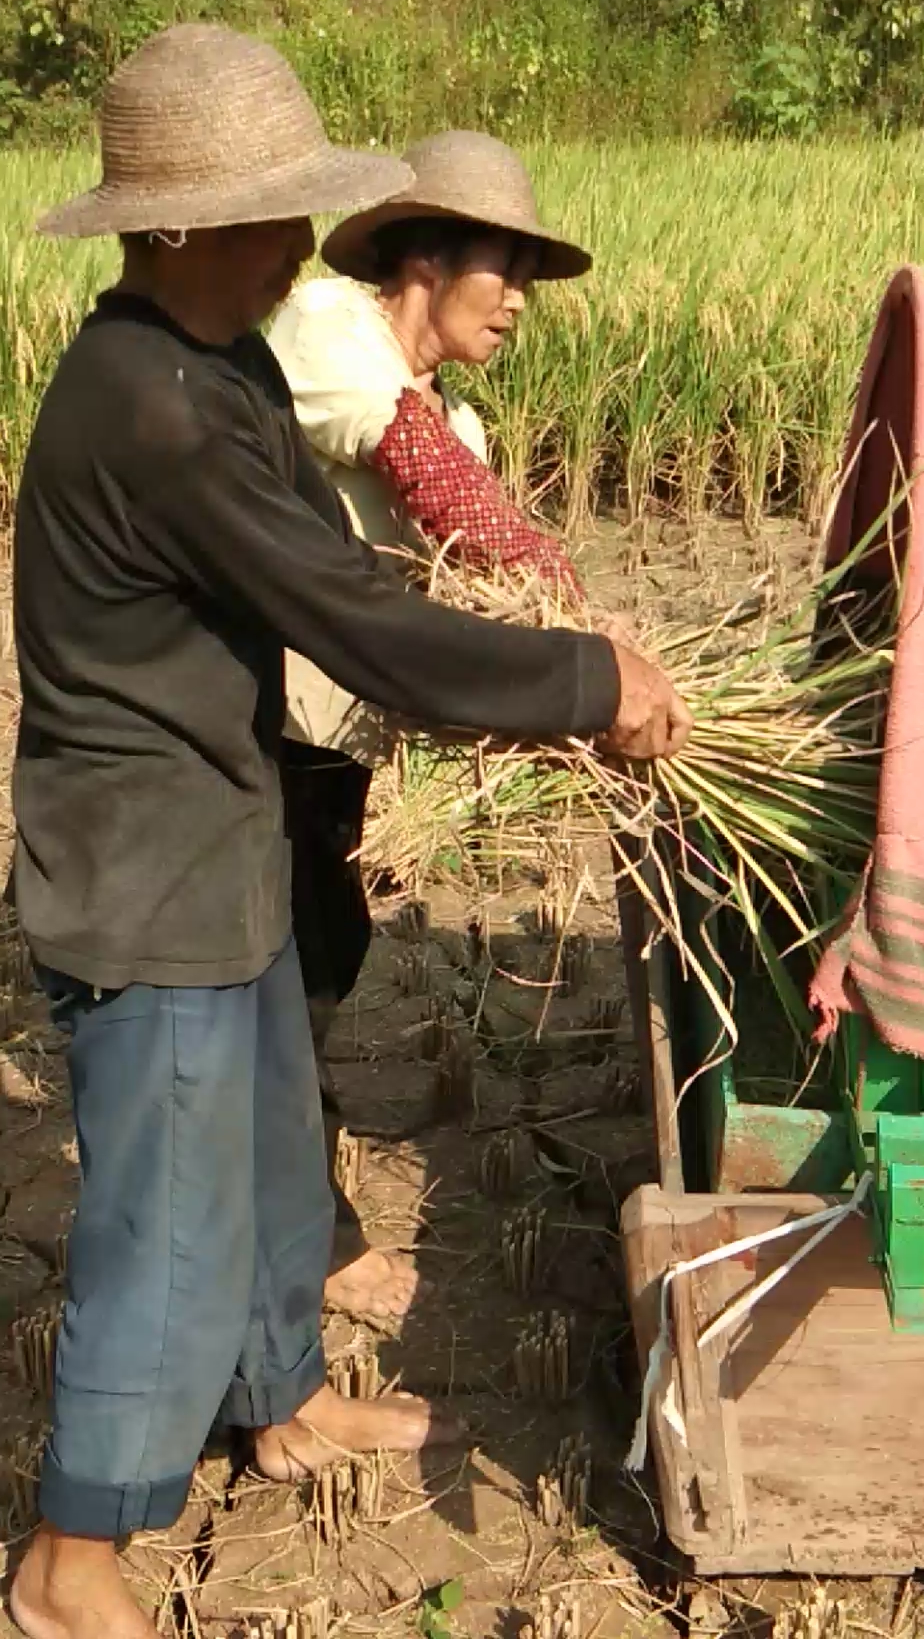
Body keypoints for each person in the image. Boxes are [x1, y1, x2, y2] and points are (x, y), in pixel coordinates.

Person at [8, 22, 689, 1639]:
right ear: (176, 228)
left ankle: (283, 1403)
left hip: (231, 826)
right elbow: (357, 625)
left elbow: (350, 571)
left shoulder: (224, 366)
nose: (301, 242)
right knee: (164, 1217)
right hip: (147, 866)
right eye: (270, 213)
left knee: (260, 1152)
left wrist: (513, 631)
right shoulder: (150, 407)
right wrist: (586, 681)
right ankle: (65, 1565)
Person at [268, 129, 598, 1329]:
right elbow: (421, 475)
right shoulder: (328, 333)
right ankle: (314, 1240)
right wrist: (564, 603)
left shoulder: (459, 425)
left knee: (326, 957)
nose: (516, 302)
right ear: (423, 261)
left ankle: (297, 1212)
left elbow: (453, 595)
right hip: (253, 725)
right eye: (501, 269)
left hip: (335, 743)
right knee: (283, 983)